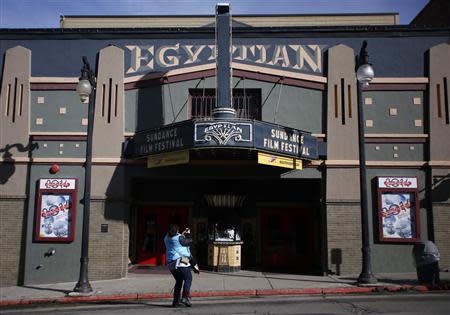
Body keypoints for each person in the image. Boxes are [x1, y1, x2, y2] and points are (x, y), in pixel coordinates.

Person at [164, 224, 195, 307]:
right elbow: (189, 241)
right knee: (188, 278)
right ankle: (185, 297)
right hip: (180, 262)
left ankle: (175, 302)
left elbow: (176, 239)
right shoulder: (179, 238)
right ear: (177, 231)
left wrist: (182, 234)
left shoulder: (166, 237)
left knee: (179, 281)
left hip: (171, 264)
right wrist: (188, 234)